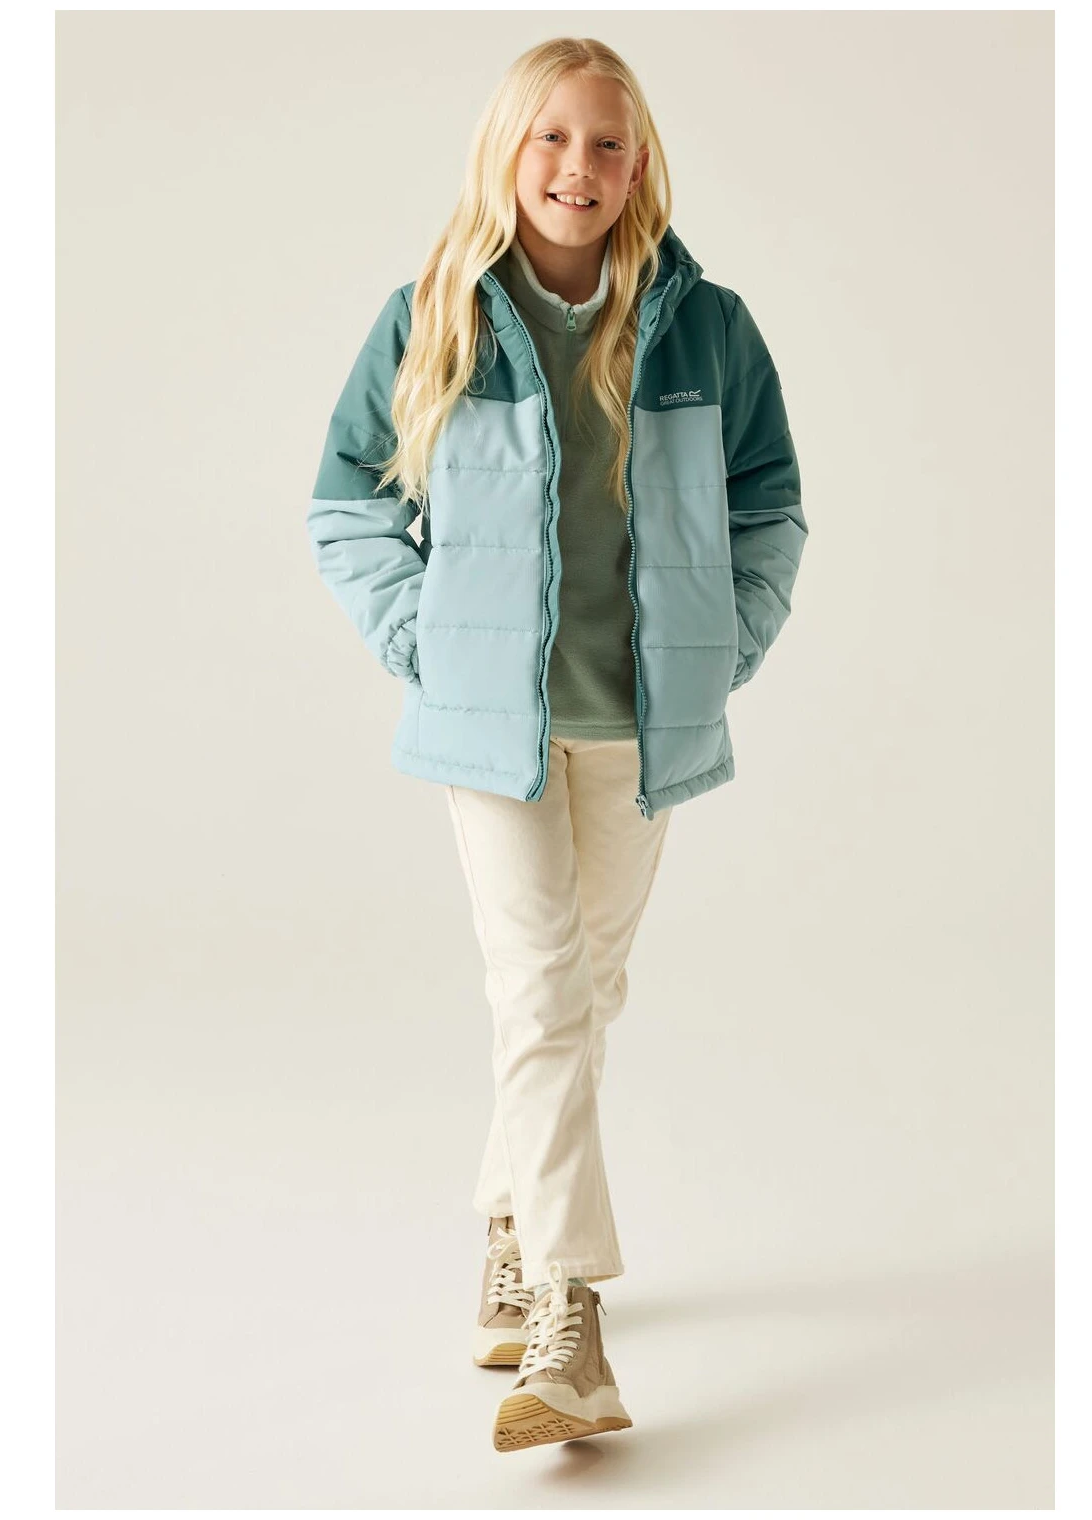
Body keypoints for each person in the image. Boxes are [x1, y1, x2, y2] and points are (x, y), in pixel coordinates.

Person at [307, 37, 806, 1453]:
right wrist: (426, 643)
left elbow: (771, 506)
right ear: (506, 151)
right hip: (493, 734)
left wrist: (724, 645)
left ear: (638, 168)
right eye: (551, 138)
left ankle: (510, 1229)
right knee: (541, 994)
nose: (576, 167)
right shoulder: (435, 316)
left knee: (585, 995)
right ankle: (568, 1325)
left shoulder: (710, 329)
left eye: (606, 143)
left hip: (640, 727)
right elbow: (345, 500)